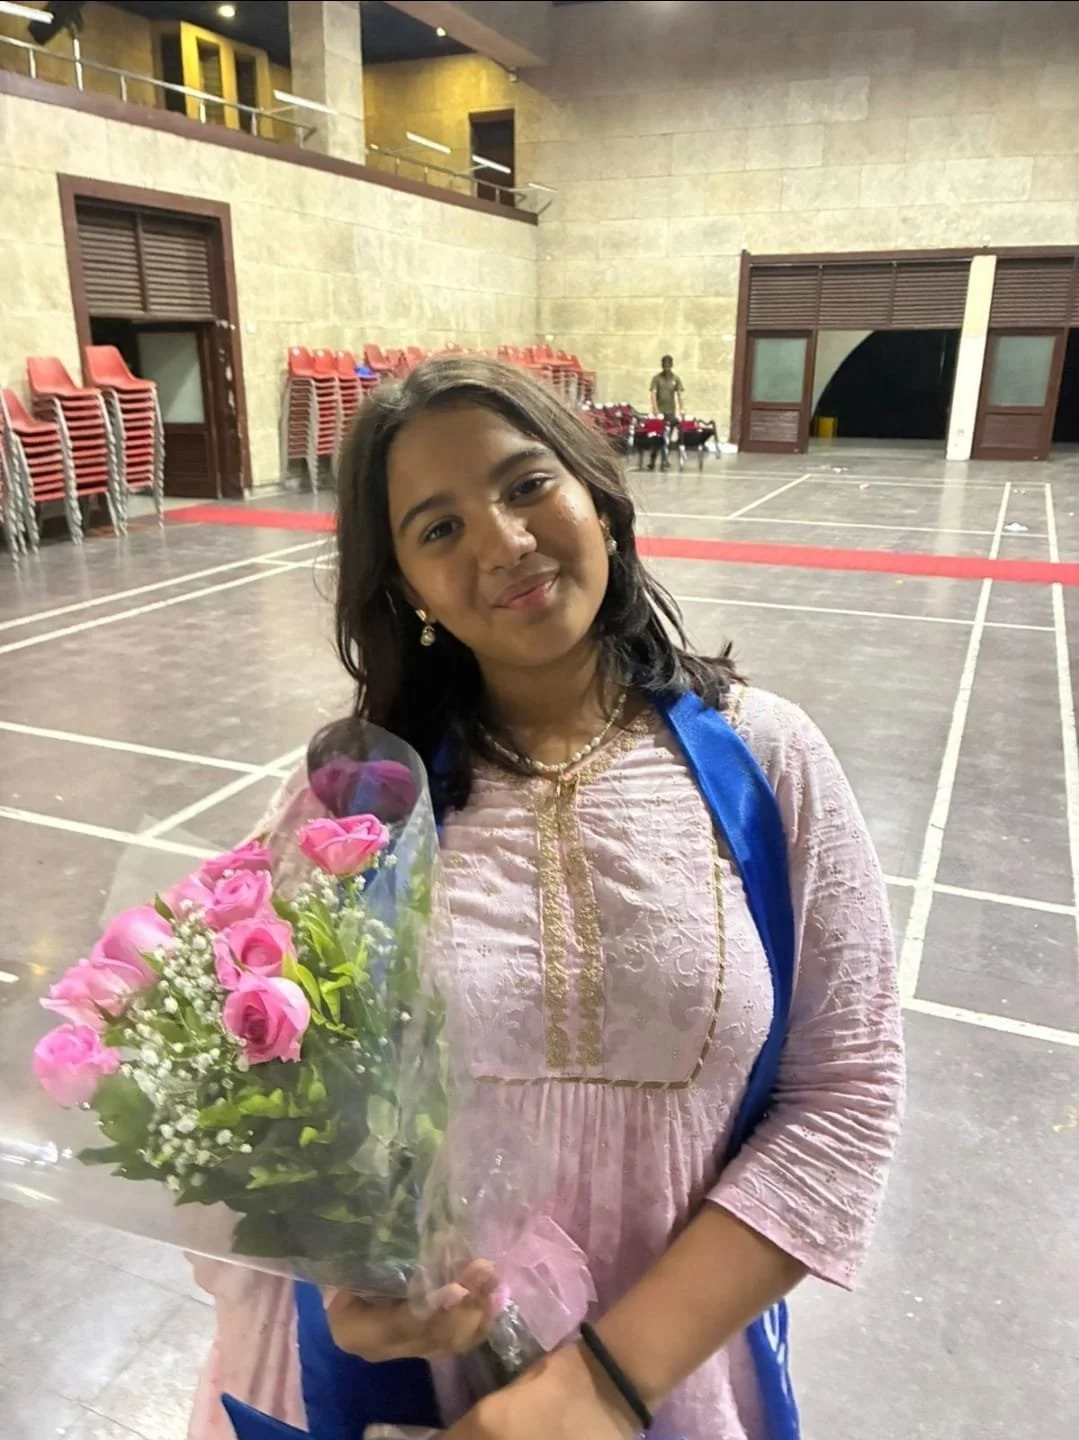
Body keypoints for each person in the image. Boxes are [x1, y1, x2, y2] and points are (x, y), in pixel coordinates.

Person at [190, 356, 904, 1440]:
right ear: (406, 590)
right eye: (437, 529)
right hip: (401, 1398)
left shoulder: (768, 760)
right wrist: (347, 1276)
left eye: (525, 486)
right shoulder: (356, 799)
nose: (503, 543)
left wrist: (599, 1386)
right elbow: (266, 1086)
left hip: (667, 1385)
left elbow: (843, 1094)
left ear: (596, 495)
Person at [648, 355, 684, 471]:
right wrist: (655, 409)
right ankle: (653, 460)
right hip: (660, 412)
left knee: (667, 437)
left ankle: (665, 459)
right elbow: (653, 394)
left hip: (671, 412)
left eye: (668, 365)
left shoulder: (676, 379)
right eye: (664, 365)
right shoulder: (657, 379)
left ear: (671, 365)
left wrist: (682, 409)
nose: (666, 367)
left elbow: (679, 394)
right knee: (657, 437)